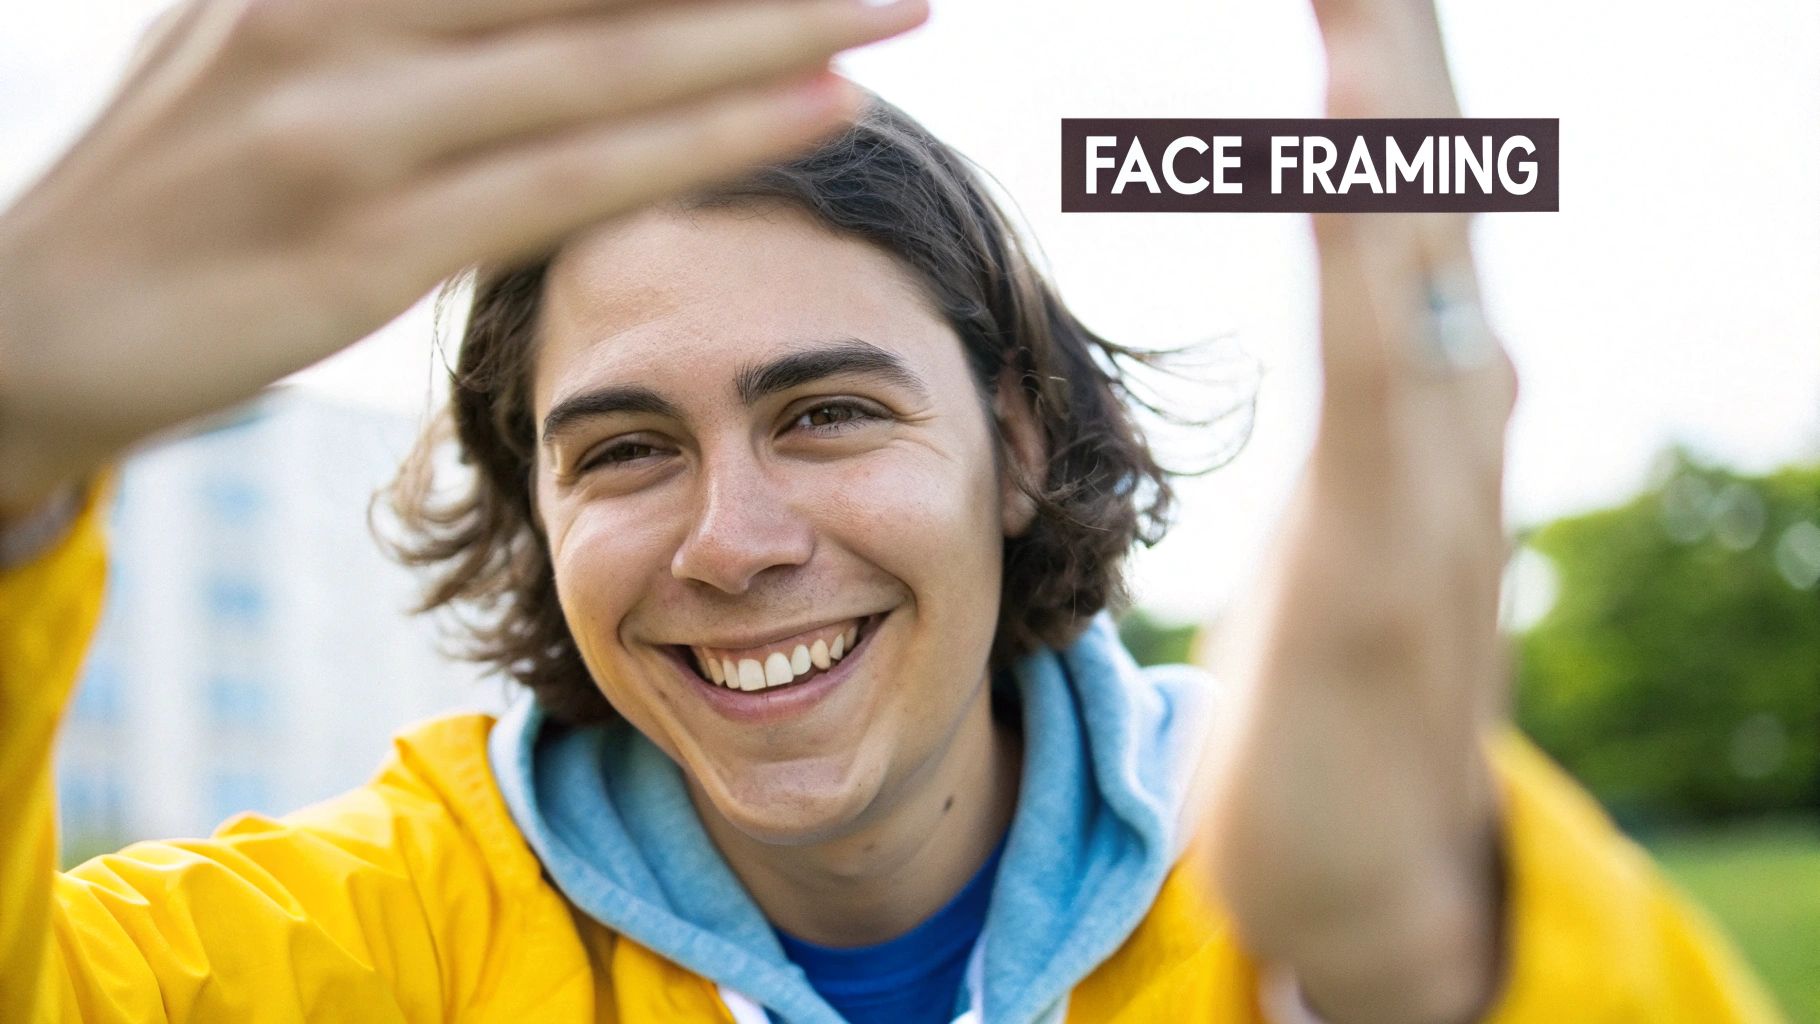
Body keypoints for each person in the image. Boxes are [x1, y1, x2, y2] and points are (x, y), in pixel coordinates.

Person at [0, 0, 1780, 1021]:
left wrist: (1421, 961)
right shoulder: (362, 945)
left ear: (1015, 444)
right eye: (623, 449)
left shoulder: (1323, 879)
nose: (736, 538)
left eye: (829, 411)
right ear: (536, 512)